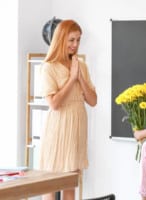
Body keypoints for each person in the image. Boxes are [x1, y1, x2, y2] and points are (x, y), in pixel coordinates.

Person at [39, 20, 97, 200]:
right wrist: (71, 79)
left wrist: (79, 77)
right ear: (61, 39)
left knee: (70, 183)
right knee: (51, 182)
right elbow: (54, 104)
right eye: (71, 40)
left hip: (77, 126)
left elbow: (93, 101)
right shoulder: (48, 67)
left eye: (78, 40)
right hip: (58, 128)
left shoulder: (81, 66)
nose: (75, 45)